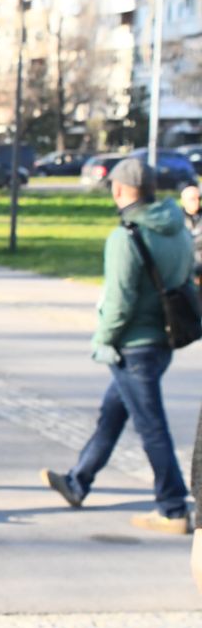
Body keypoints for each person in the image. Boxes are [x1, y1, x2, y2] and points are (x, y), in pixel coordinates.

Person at [43, 156, 197, 533]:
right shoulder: (177, 228)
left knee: (151, 427)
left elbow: (119, 303)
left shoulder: (125, 236)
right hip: (164, 339)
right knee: (112, 415)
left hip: (133, 346)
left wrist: (104, 341)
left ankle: (173, 507)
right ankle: (78, 481)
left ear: (119, 190)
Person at [182, 183, 202, 289]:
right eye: (192, 199)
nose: (197, 202)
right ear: (184, 201)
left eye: (199, 198)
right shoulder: (178, 220)